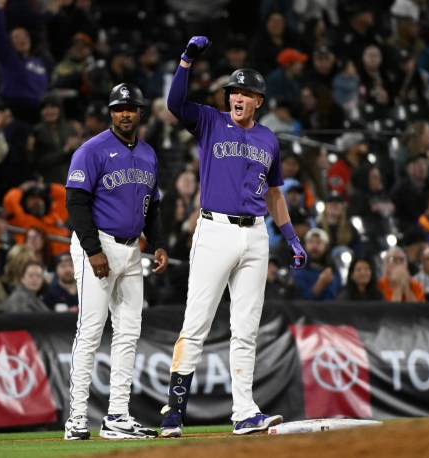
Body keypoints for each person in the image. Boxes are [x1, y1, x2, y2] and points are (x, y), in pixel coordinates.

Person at [159, 37, 307, 438]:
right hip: (215, 229)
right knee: (198, 322)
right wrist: (186, 60)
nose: (238, 97)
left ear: (259, 100)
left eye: (246, 93)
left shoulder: (269, 139)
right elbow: (175, 105)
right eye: (233, 92)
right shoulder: (210, 120)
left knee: (246, 328)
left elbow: (275, 194)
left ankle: (244, 412)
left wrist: (291, 237)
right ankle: (174, 409)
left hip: (256, 235)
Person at [63, 82, 168, 440]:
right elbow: (75, 202)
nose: (125, 113)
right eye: (119, 108)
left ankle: (117, 416)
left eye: (131, 108)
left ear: (140, 113)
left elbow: (152, 206)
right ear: (111, 112)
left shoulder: (150, 154)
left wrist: (158, 244)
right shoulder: (91, 150)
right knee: (91, 330)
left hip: (132, 251)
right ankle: (76, 418)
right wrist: (92, 250)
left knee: (129, 333)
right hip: (100, 246)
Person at [3, 180, 71, 256]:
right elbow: (9, 200)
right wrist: (21, 190)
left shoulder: (55, 215)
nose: (37, 202)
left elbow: (66, 195)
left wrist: (46, 187)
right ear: (24, 202)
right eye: (32, 198)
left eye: (40, 198)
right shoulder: (20, 218)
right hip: (32, 259)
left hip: (62, 259)